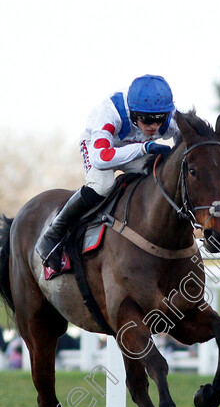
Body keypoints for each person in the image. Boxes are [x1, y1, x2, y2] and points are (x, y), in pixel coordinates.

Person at [35, 74, 180, 271]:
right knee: (103, 185)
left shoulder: (170, 117)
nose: (154, 127)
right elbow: (101, 158)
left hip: (134, 146)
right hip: (98, 148)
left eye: (160, 120)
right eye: (146, 120)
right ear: (134, 113)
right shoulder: (110, 113)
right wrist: (145, 148)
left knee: (160, 173)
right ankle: (52, 234)